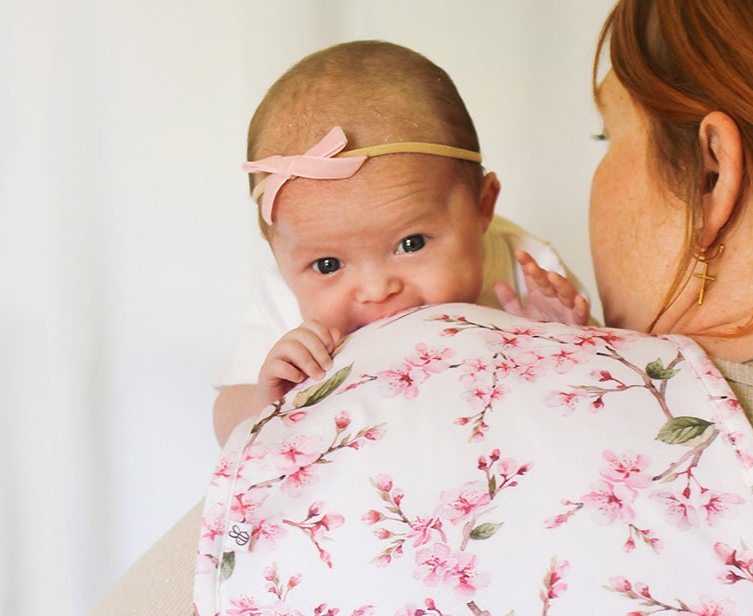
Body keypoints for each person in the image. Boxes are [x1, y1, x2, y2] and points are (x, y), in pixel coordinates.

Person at [30, 1, 753, 616]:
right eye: (330, 266)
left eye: (611, 136)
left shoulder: (405, 401)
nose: (377, 295)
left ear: (713, 173)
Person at [214, 41, 590, 446]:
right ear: (279, 254)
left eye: (411, 243)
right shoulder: (279, 300)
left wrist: (566, 339)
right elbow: (224, 423)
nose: (378, 290)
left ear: (483, 206)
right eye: (328, 265)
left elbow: (611, 394)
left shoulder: (527, 268)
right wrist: (265, 398)